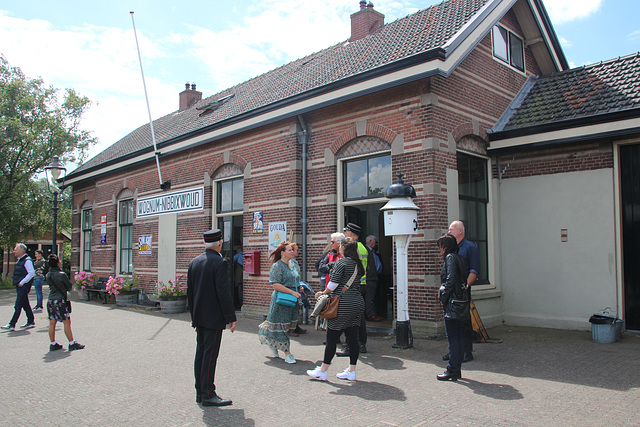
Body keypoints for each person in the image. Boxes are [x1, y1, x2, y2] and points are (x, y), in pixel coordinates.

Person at [187, 229, 237, 407]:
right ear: (220, 244)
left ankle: (200, 391)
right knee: (209, 355)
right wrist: (231, 316)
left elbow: (190, 293)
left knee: (201, 353)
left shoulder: (194, 262)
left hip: (199, 316)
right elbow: (223, 291)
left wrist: (194, 316)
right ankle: (208, 393)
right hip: (213, 317)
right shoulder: (220, 262)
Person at [307, 237, 365, 381]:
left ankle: (323, 371)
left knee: (332, 337)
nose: (338, 248)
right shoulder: (358, 264)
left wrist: (323, 293)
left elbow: (333, 284)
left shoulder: (341, 262)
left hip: (342, 304)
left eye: (340, 246)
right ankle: (351, 371)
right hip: (357, 303)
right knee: (352, 338)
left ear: (343, 248)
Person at [443, 220, 480, 363]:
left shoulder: (470, 247)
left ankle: (466, 351)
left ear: (460, 231)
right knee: (452, 322)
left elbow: (474, 269)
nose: (449, 231)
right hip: (452, 291)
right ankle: (454, 352)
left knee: (464, 321)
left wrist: (465, 287)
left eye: (451, 229)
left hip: (462, 291)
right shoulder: (451, 249)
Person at [258, 241, 301, 364]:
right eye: (289, 250)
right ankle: (287, 353)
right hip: (281, 300)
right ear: (283, 253)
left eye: (292, 250)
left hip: (293, 301)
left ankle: (271, 341)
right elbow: (275, 284)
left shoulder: (292, 264)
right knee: (281, 326)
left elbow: (294, 279)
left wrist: (299, 288)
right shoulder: (277, 266)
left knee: (288, 327)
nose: (292, 252)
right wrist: (291, 292)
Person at [436, 234, 467, 381]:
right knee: (459, 337)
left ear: (445, 247)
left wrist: (443, 296)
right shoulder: (459, 257)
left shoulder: (450, 258)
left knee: (453, 337)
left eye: (440, 246)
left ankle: (452, 369)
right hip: (461, 301)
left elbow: (450, 279)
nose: (439, 250)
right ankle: (457, 368)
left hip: (452, 303)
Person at [336, 223, 369, 355]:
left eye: (347, 231)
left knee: (348, 316)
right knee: (359, 316)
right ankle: (361, 343)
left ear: (351, 233)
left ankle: (349, 345)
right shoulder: (363, 247)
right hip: (361, 284)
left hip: (352, 285)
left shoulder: (353, 247)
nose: (345, 233)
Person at [45, 254, 85, 352]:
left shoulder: (48, 275)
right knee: (66, 322)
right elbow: (69, 287)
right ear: (58, 262)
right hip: (60, 301)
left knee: (52, 322)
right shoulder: (61, 275)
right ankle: (71, 343)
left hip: (50, 300)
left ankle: (53, 343)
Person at [2, 244, 36, 331]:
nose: (14, 251)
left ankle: (12, 324)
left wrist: (22, 282)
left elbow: (31, 273)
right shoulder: (21, 260)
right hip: (20, 286)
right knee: (25, 304)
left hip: (23, 286)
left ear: (21, 251)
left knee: (18, 305)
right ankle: (31, 321)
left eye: (15, 249)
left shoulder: (27, 260)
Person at [289, 243, 307, 336]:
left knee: (296, 308)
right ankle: (291, 329)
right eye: (296, 249)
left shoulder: (294, 261)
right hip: (292, 288)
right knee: (291, 309)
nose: (298, 251)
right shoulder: (290, 262)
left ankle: (295, 326)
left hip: (297, 287)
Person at [365, 235, 383, 321]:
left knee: (372, 297)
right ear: (370, 241)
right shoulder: (366, 251)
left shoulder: (373, 252)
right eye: (374, 241)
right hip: (370, 278)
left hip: (374, 277)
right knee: (370, 298)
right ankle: (370, 315)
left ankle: (372, 313)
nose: (375, 244)